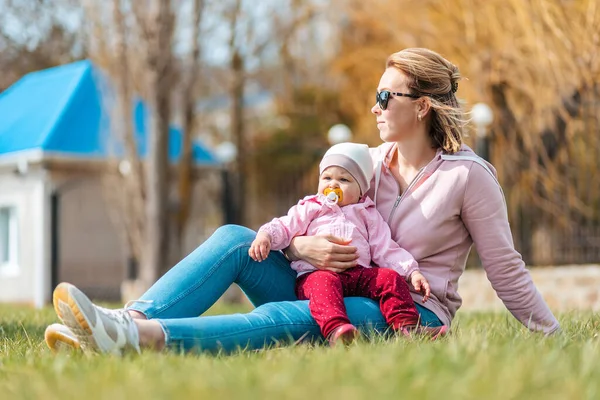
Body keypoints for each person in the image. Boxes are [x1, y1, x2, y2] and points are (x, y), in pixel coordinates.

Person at [45, 47, 560, 356]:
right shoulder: (367, 165)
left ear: (422, 106)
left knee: (307, 315)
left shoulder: (470, 177)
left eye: (386, 97)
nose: (375, 107)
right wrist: (303, 250)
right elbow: (313, 220)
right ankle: (121, 324)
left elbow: (505, 270)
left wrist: (553, 335)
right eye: (376, 96)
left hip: (409, 310)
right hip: (328, 281)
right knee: (233, 238)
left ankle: (145, 339)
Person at [249, 142, 447, 345]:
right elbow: (285, 225)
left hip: (358, 274)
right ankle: (337, 329)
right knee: (324, 285)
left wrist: (411, 271)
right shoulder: (311, 206)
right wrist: (265, 235)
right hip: (317, 274)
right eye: (327, 178)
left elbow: (385, 248)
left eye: (343, 179)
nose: (333, 185)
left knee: (389, 278)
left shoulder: (367, 213)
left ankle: (408, 326)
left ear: (361, 189)